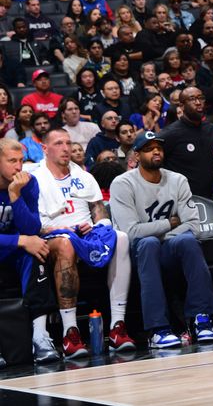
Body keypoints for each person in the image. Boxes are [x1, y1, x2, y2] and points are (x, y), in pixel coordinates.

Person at [110, 131, 213, 348]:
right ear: (137, 155)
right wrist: (169, 224)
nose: (156, 151)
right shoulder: (122, 184)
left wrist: (160, 234)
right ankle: (158, 329)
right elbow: (131, 233)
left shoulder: (178, 180)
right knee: (148, 244)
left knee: (188, 241)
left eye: (158, 147)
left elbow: (193, 225)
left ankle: (201, 319)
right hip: (137, 252)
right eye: (149, 149)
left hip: (169, 245)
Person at [33, 128, 135, 359]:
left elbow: (98, 210)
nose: (66, 148)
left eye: (68, 143)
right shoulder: (36, 178)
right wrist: (57, 228)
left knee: (121, 238)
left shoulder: (84, 176)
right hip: (53, 236)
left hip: (86, 234)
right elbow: (33, 221)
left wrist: (99, 226)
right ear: (45, 148)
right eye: (59, 143)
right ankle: (71, 333)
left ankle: (118, 327)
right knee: (67, 242)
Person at [0, 138, 61, 366]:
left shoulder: (28, 182)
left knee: (37, 251)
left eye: (20, 161)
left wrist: (15, 195)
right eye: (11, 161)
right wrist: (20, 239)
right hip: (10, 245)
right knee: (30, 243)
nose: (18, 167)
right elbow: (24, 235)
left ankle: (40, 337)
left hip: (13, 251)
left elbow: (32, 228)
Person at [159, 87, 213, 199]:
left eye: (201, 98)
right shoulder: (169, 134)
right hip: (180, 199)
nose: (198, 103)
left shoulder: (211, 130)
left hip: (209, 199)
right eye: (192, 99)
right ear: (181, 106)